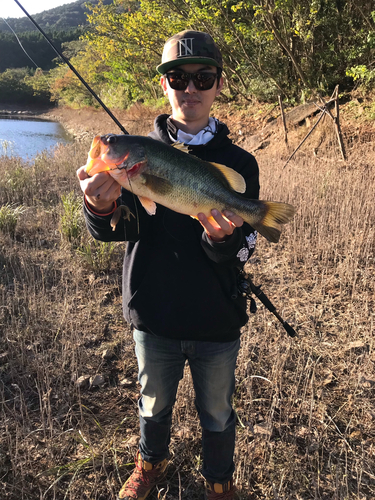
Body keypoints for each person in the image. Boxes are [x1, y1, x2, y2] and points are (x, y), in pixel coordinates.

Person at [77, 30, 260, 500]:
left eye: (203, 77)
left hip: (217, 318)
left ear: (219, 84)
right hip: (153, 312)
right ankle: (149, 465)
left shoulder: (239, 163)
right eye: (178, 77)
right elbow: (116, 229)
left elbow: (243, 251)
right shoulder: (137, 154)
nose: (190, 88)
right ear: (165, 85)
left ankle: (219, 481)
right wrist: (98, 208)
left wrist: (225, 238)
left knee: (217, 410)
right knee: (153, 403)